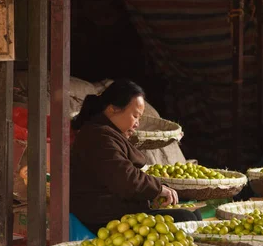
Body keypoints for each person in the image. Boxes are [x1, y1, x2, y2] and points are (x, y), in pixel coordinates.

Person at [70, 79, 202, 234]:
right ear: (113, 109)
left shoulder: (106, 133)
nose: (137, 124)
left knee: (194, 214)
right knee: (184, 218)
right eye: (135, 116)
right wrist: (158, 190)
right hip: (104, 218)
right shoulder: (98, 136)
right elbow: (124, 177)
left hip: (118, 211)